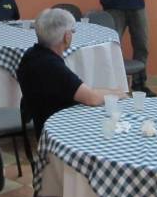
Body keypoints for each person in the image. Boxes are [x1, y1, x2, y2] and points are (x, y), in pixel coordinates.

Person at [17, 8, 125, 136]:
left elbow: (83, 92)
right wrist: (118, 93)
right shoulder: (51, 66)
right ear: (66, 36)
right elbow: (92, 98)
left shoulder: (31, 54)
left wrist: (112, 92)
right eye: (72, 32)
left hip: (46, 122)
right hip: (61, 129)